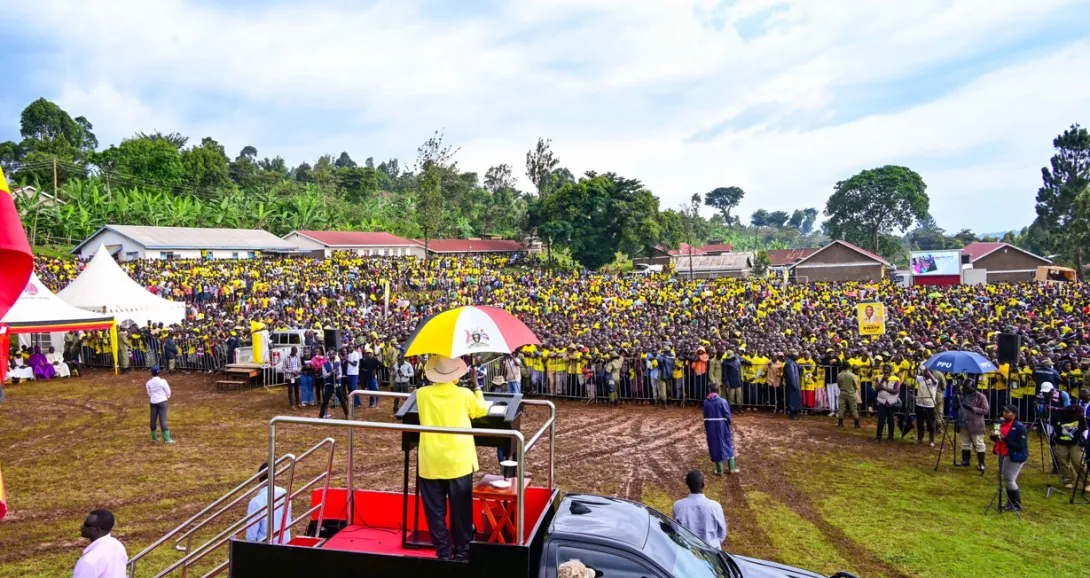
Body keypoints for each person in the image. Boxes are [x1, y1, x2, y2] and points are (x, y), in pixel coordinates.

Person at [416, 355, 489, 561]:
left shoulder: (421, 394)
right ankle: (463, 551)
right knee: (461, 510)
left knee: (435, 512)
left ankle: (444, 552)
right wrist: (476, 386)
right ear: (455, 374)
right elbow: (480, 410)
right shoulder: (464, 394)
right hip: (458, 460)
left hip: (431, 460)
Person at [671, 470, 727, 549]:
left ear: (687, 484)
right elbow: (722, 533)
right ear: (703, 485)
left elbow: (676, 529)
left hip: (687, 551)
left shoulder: (678, 506)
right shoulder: (715, 506)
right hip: (712, 551)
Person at [991, 404, 1029, 512]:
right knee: (1005, 477)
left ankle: (1016, 504)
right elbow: (996, 438)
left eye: (1008, 412)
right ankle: (1010, 502)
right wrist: (993, 435)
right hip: (1002, 453)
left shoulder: (1020, 428)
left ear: (1014, 414)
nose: (1005, 414)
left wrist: (1005, 439)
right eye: (1004, 411)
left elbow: (1020, 446)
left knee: (1010, 479)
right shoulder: (1000, 424)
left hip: (1014, 455)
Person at [73, 509, 127, 578]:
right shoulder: (118, 545)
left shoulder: (89, 561)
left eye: (86, 525)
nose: (82, 526)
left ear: (96, 530)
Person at [246, 462, 291, 543]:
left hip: (265, 548)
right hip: (285, 545)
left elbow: (251, 536)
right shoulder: (285, 494)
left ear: (259, 477)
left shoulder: (256, 502)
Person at [1050, 402, 1086, 490]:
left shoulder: (1081, 417)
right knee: (1063, 462)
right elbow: (1050, 425)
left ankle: (1087, 481)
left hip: (1076, 442)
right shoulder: (1058, 415)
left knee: (1078, 461)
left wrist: (1084, 440)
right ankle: (1067, 480)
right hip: (1060, 442)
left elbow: (1085, 429)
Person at [703, 383, 737, 475]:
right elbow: (728, 415)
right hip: (722, 426)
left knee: (715, 446)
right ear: (719, 391)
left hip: (711, 426)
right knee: (727, 443)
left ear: (710, 391)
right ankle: (732, 469)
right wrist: (728, 423)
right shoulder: (723, 401)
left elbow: (705, 417)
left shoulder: (705, 402)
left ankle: (719, 470)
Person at [958, 379, 990, 473]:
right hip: (963, 422)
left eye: (967, 388)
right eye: (964, 388)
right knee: (965, 442)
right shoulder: (961, 395)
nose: (965, 390)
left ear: (973, 387)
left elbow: (986, 410)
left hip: (975, 424)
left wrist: (972, 408)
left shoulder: (980, 397)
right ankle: (965, 460)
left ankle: (981, 463)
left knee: (978, 443)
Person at [146, 366, 174, 444]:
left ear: (151, 373)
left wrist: (153, 397)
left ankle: (154, 438)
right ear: (159, 372)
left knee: (153, 420)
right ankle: (167, 439)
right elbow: (168, 391)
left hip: (153, 402)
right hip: (162, 401)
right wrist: (167, 397)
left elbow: (149, 393)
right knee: (163, 420)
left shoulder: (148, 383)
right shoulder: (163, 381)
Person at [875, 364, 901, 442]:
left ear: (890, 370)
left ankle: (891, 436)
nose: (886, 371)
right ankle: (878, 436)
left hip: (891, 402)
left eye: (887, 369)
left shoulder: (896, 379)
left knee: (891, 420)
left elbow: (896, 391)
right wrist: (883, 380)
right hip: (881, 401)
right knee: (881, 420)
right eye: (884, 369)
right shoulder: (878, 378)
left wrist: (885, 388)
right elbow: (877, 389)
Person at [915, 368, 941, 446]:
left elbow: (935, 381)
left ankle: (931, 440)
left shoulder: (934, 381)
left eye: (927, 372)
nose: (925, 373)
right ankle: (920, 439)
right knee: (919, 422)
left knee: (930, 423)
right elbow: (911, 375)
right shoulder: (921, 378)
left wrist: (928, 373)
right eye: (924, 372)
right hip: (919, 403)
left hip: (929, 405)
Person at [783, 350, 802, 420]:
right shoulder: (789, 363)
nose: (798, 356)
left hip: (795, 384)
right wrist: (794, 385)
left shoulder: (792, 362)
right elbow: (791, 376)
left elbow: (800, 369)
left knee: (795, 399)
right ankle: (793, 414)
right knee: (793, 399)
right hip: (793, 385)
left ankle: (795, 413)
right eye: (796, 355)